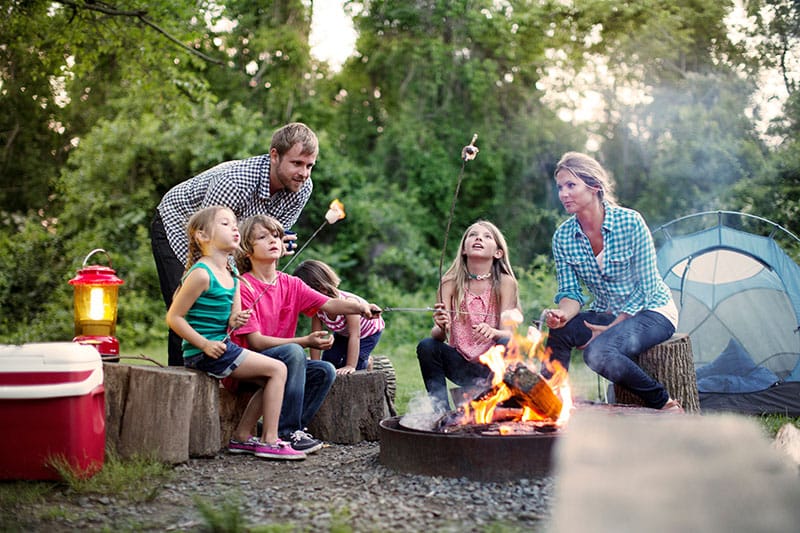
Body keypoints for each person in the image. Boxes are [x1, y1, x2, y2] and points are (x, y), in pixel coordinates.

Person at [151, 122, 318, 366]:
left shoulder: (302, 188)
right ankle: (183, 381)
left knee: (233, 308)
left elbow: (268, 238)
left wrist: (276, 246)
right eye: (296, 163)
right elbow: (211, 240)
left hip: (229, 238)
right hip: (180, 223)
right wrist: (233, 280)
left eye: (309, 165)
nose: (303, 173)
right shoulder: (235, 181)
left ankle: (229, 374)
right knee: (192, 309)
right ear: (274, 155)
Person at [543, 151, 683, 412]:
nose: (563, 194)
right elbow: (571, 292)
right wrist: (562, 314)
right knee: (560, 332)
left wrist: (613, 326)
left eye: (571, 185)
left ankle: (665, 404)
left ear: (594, 187)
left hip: (652, 311)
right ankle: (550, 403)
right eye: (560, 187)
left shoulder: (630, 222)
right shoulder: (563, 237)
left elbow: (648, 285)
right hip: (607, 313)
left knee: (598, 353)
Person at [231, 214, 382, 453]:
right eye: (262, 237)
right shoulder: (244, 286)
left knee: (324, 370)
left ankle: (292, 428)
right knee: (294, 353)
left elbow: (330, 304)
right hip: (250, 363)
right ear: (247, 249)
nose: (273, 241)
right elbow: (256, 342)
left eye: (277, 236)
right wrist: (304, 341)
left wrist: (360, 307)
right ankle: (286, 432)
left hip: (281, 362)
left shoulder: (291, 283)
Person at [166, 206, 305, 460]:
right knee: (278, 369)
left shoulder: (232, 275)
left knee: (271, 376)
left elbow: (231, 320)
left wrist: (236, 319)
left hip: (221, 348)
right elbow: (174, 317)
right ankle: (270, 440)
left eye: (234, 223)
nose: (234, 228)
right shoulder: (201, 273)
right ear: (202, 236)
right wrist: (205, 344)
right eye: (225, 224)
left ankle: (242, 436)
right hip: (202, 352)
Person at [416, 220, 520, 412]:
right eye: (472, 235)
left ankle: (498, 402)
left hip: (492, 365)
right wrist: (440, 326)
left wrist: (493, 331)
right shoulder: (448, 283)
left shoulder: (505, 283)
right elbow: (439, 336)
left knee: (507, 344)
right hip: (461, 364)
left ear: (498, 253)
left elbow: (507, 334)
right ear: (464, 249)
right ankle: (442, 413)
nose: (478, 238)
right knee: (427, 346)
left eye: (487, 236)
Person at [292, 259, 386, 375]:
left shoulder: (348, 304)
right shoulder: (317, 307)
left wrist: (350, 365)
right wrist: (315, 363)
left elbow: (355, 335)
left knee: (355, 368)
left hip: (367, 333)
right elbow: (316, 336)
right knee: (329, 360)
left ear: (322, 289)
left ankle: (368, 362)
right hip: (343, 333)